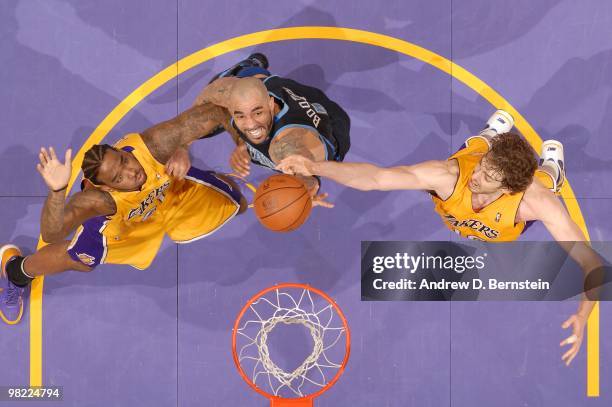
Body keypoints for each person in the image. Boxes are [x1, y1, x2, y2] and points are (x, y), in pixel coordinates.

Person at [277, 110, 599, 366]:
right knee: (475, 148)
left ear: (508, 188)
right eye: (482, 168)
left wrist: (583, 314)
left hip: (504, 224)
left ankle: (553, 166)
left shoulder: (532, 201)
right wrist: (315, 165)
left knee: (546, 183)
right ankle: (491, 136)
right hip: (461, 194)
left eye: (488, 177)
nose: (477, 176)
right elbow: (375, 178)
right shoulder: (451, 176)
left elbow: (592, 264)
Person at [0, 102, 246, 325]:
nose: (131, 172)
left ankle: (215, 183)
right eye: (119, 177)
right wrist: (57, 191)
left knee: (234, 201)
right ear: (107, 186)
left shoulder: (155, 144)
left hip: (168, 192)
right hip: (124, 221)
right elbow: (52, 233)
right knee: (79, 261)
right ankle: (16, 271)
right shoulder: (99, 201)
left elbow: (216, 111)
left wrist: (239, 147)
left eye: (124, 160)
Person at [193, 53, 351, 208]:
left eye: (257, 113)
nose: (250, 124)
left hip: (331, 125)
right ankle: (248, 69)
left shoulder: (289, 145)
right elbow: (207, 96)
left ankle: (248, 75)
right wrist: (184, 144)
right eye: (240, 115)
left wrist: (307, 185)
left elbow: (303, 163)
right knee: (202, 123)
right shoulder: (226, 90)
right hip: (288, 95)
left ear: (271, 105)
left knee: (252, 98)